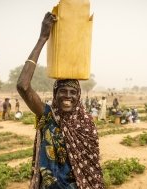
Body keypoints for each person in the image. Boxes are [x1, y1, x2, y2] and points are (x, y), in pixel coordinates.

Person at [16, 12, 104, 189]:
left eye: (73, 92)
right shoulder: (48, 116)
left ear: (78, 97)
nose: (68, 96)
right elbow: (23, 86)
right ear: (55, 94)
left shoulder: (85, 123)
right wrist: (42, 38)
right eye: (63, 91)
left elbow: (92, 168)